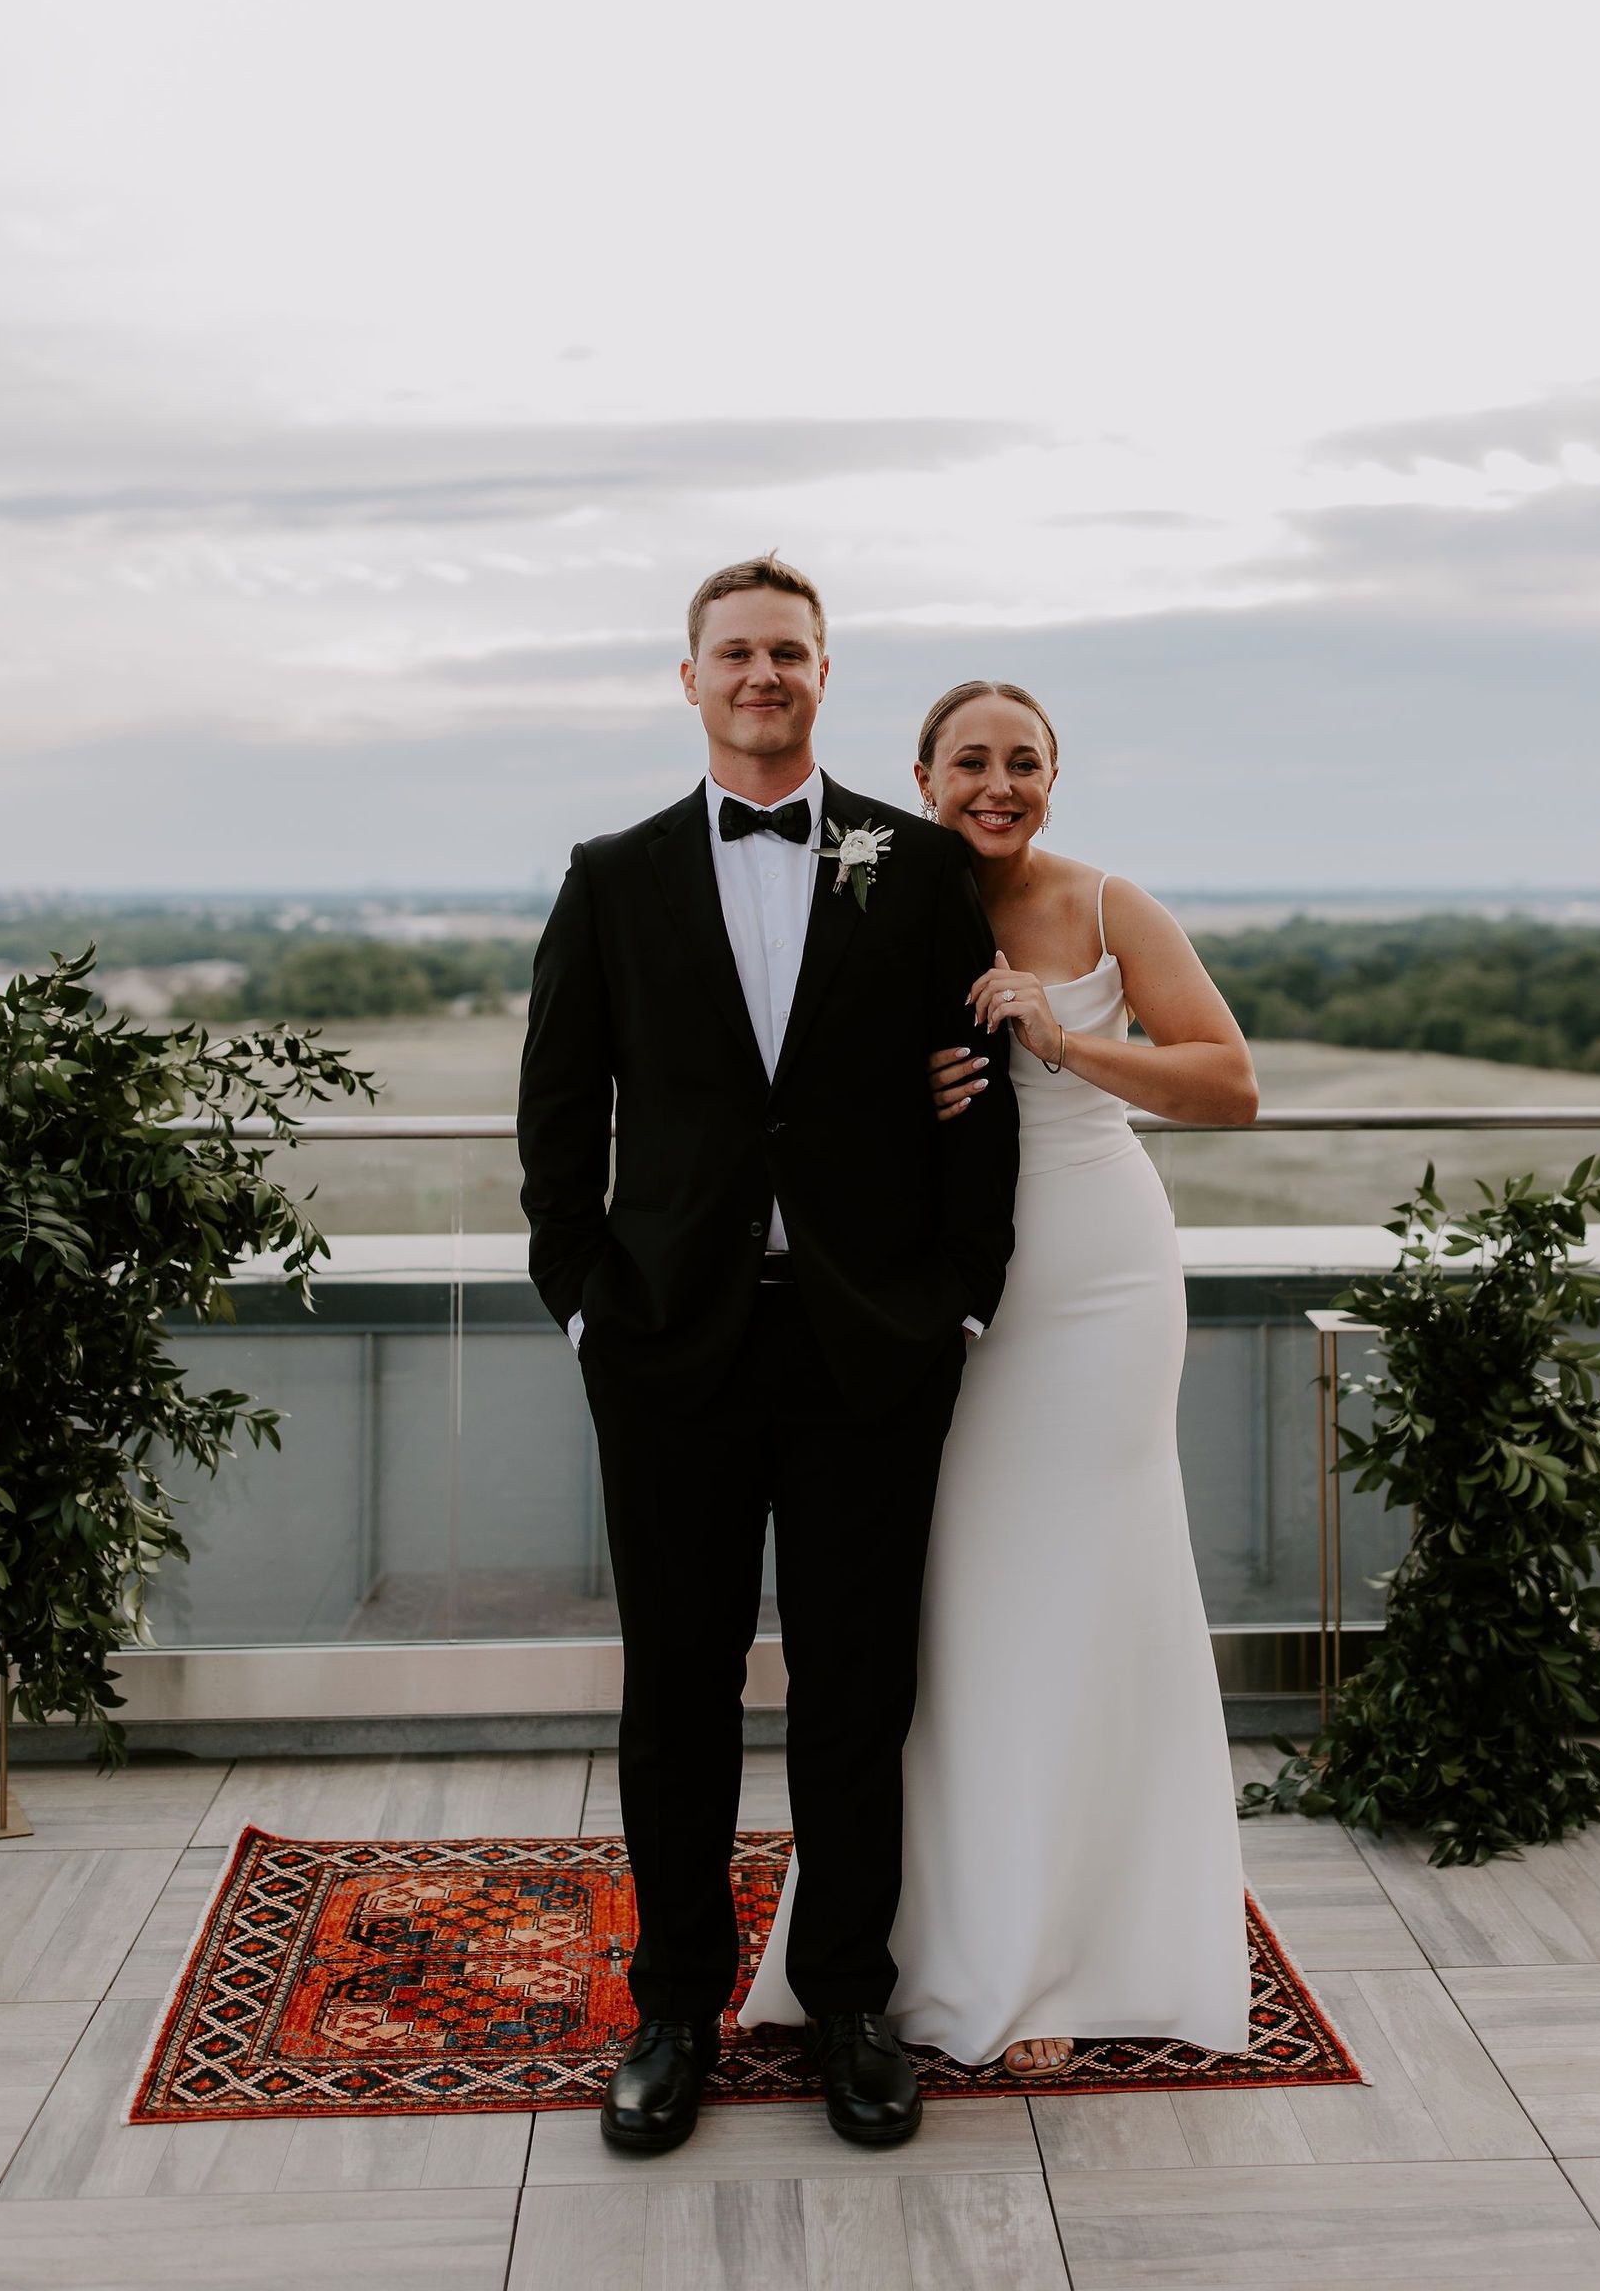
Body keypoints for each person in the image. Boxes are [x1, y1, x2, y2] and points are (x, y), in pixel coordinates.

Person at [517, 561, 1019, 2155]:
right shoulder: (610, 878)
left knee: (859, 1688)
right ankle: (673, 2011)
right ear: (690, 680)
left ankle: (849, 2004)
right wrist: (585, 1302)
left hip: (869, 1340)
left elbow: (979, 1088)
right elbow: (556, 1116)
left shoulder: (920, 864)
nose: (762, 674)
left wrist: (960, 1298)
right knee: (677, 1692)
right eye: (734, 653)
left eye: (788, 652)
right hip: (670, 1348)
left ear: (824, 674)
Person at [742, 678, 1258, 2075]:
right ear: (921, 776)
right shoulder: (876, 898)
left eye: (1023, 762)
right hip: (934, 1297)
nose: (998, 782)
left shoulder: (1108, 907)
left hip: (1096, 1285)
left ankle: (1071, 1958)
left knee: (1092, 1591)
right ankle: (926, 1940)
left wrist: (1066, 1041)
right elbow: (795, 1093)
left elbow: (1229, 1083)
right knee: (957, 1605)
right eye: (970, 760)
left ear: (1052, 779)